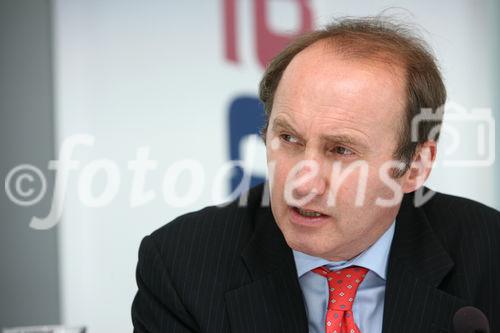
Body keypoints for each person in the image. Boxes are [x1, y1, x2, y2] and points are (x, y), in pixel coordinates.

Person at [131, 17, 500, 333]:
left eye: (341, 150)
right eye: (288, 138)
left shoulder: (488, 254)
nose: (303, 183)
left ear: (415, 167)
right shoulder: (181, 266)